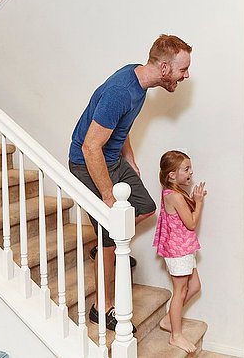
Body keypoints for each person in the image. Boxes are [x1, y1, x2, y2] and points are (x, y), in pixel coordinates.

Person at [68, 34, 192, 331]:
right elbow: (89, 147)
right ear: (164, 68)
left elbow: (120, 127)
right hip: (87, 163)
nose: (186, 75)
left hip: (112, 158)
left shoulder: (139, 82)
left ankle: (106, 244)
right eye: (182, 69)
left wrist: (130, 158)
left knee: (147, 206)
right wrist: (109, 198)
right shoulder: (121, 91)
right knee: (111, 235)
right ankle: (103, 307)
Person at [153, 150, 205, 353]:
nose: (191, 172)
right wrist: (199, 203)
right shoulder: (174, 195)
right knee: (180, 291)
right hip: (178, 251)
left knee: (195, 286)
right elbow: (191, 223)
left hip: (183, 248)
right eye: (186, 169)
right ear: (172, 175)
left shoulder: (173, 192)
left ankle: (168, 320)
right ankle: (176, 336)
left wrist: (192, 200)